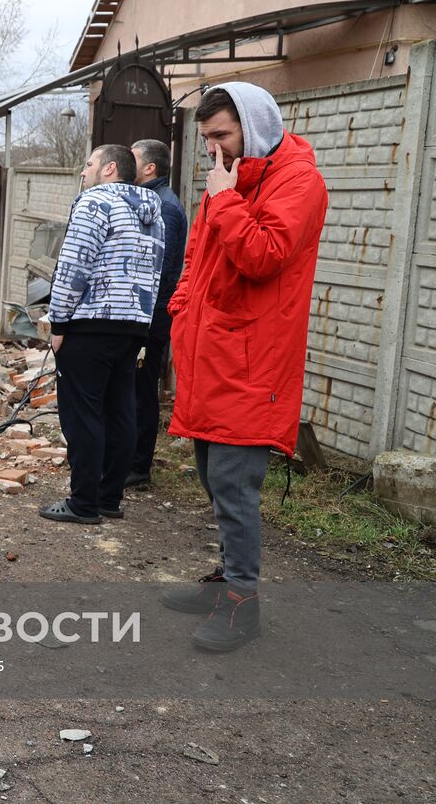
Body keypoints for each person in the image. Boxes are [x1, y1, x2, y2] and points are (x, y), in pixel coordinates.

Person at [162, 83, 327, 652]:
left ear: (253, 126)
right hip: (212, 355)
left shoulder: (298, 181)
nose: (213, 149)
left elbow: (263, 256)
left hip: (254, 363)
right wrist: (181, 308)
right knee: (213, 477)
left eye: (222, 136)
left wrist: (227, 199)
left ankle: (242, 603)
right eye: (206, 138)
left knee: (234, 485)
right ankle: (225, 579)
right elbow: (197, 258)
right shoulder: (226, 178)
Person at [38, 144, 163, 528]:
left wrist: (58, 323)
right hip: (133, 324)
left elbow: (74, 265)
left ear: (109, 168)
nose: (83, 171)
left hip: (90, 323)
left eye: (89, 163)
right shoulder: (153, 212)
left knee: (84, 414)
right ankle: (109, 498)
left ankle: (83, 503)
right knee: (120, 410)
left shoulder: (95, 203)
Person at [126, 139, 188, 488]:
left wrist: (143, 317)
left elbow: (161, 270)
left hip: (150, 317)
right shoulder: (154, 199)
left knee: (142, 388)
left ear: (150, 168)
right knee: (134, 387)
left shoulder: (164, 206)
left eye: (133, 159)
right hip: (145, 312)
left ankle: (138, 467)